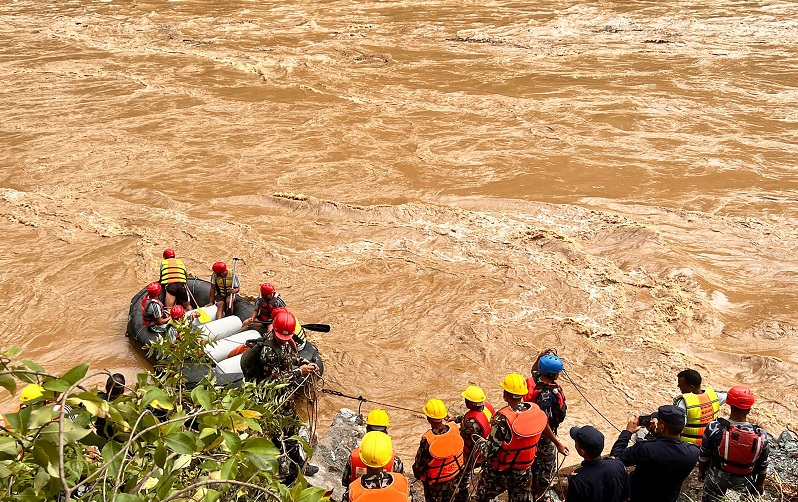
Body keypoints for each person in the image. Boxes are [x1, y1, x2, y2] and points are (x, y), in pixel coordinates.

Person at [239, 310, 319, 480]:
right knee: (281, 431)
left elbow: (290, 359)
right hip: (274, 398)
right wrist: (299, 372)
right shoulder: (268, 352)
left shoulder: (282, 341)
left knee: (293, 427)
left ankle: (295, 464)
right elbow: (275, 381)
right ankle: (288, 467)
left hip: (285, 396)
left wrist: (306, 363)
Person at [474, 373, 569, 502]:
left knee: (482, 498)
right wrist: (558, 444)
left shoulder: (502, 420)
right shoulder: (536, 412)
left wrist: (479, 441)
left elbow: (489, 454)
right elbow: (545, 427)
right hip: (523, 472)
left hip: (499, 473)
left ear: (505, 395)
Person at [609, 405, 700, 502]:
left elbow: (615, 459)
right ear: (682, 429)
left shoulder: (644, 449)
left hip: (639, 497)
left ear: (662, 427)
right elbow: (667, 448)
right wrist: (656, 434)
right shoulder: (693, 452)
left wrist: (627, 432)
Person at [698, 385, 769, 502]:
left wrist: (701, 471)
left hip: (717, 476)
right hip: (745, 480)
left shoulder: (714, 427)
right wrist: (760, 484)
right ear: (749, 409)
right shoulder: (762, 435)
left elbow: (704, 455)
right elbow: (763, 465)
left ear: (729, 404)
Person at [525, 350, 568, 500]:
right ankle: (539, 495)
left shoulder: (537, 378)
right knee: (547, 465)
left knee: (535, 461)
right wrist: (557, 444)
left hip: (532, 431)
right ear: (552, 374)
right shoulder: (546, 396)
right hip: (544, 435)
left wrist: (540, 356)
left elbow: (533, 369)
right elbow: (544, 424)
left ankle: (534, 488)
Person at [342, 410, 406, 500]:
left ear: (367, 429)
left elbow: (345, 482)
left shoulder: (353, 457)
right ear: (386, 431)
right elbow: (400, 484)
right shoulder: (395, 461)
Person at [448, 385, 495, 502]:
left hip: (472, 455)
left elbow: (459, 435)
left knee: (462, 476)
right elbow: (470, 418)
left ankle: (462, 494)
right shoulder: (487, 408)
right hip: (484, 450)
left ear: (470, 403)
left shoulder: (471, 425)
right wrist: (455, 418)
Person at [412, 398, 465, 502]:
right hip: (453, 477)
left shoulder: (428, 440)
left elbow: (419, 466)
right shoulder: (454, 429)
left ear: (428, 418)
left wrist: (417, 475)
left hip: (435, 484)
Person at [566, 425, 629, 502]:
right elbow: (625, 496)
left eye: (576, 442)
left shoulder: (578, 480)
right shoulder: (618, 465)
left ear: (582, 451)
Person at [347, 431, 412, 501]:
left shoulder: (353, 490)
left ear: (362, 456)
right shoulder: (403, 483)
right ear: (388, 456)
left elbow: (345, 481)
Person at [674, 369, 727, 446]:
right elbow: (730, 395)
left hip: (689, 447)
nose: (678, 386)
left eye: (681, 384)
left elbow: (675, 427)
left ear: (691, 387)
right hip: (710, 445)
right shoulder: (715, 396)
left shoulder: (682, 402)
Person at [96, 374, 126, 440]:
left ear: (106, 387)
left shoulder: (97, 399)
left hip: (101, 439)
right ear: (123, 390)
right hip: (121, 441)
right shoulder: (126, 405)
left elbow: (78, 404)